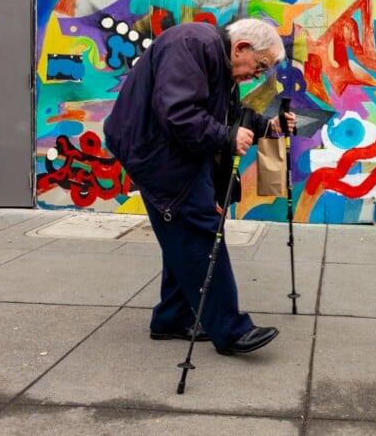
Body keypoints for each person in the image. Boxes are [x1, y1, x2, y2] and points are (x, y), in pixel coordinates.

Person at [104, 18, 295, 355]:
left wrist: (270, 127)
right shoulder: (194, 45)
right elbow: (178, 114)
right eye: (260, 66)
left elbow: (229, 115)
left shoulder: (216, 58)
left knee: (182, 232)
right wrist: (225, 137)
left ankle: (172, 317)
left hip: (169, 147)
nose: (258, 75)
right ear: (241, 48)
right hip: (156, 150)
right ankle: (230, 330)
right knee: (199, 228)